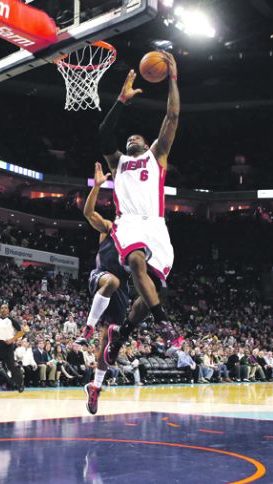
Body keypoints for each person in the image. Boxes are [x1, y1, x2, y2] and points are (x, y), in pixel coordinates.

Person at [98, 53, 182, 366]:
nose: (132, 138)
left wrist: (173, 79)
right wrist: (121, 100)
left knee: (149, 294)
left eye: (137, 137)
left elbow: (172, 117)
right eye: (129, 137)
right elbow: (104, 134)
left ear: (146, 145)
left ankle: (121, 335)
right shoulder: (117, 161)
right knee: (135, 260)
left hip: (157, 227)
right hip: (129, 222)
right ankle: (165, 324)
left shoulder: (156, 156)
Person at [80, 162, 132, 414]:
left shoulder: (139, 238)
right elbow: (88, 213)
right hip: (101, 277)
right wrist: (97, 188)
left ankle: (95, 388)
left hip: (122, 292)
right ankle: (88, 326)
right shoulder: (111, 227)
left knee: (108, 346)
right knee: (112, 281)